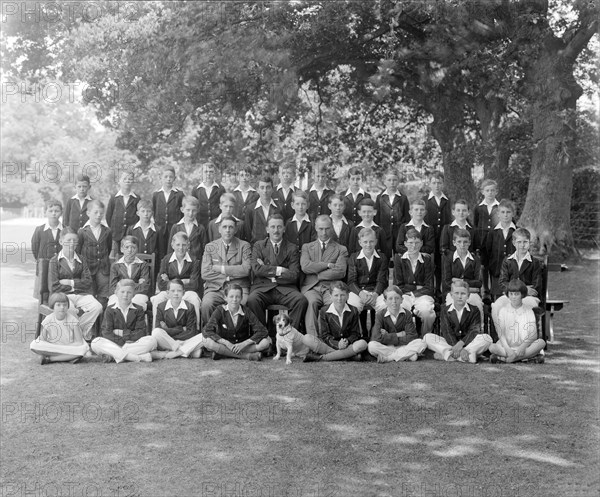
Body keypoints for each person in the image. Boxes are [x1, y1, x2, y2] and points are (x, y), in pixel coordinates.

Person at [246, 214, 308, 329]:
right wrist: (280, 270)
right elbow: (257, 270)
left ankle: (289, 334)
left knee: (301, 300)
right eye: (273, 227)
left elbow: (294, 275)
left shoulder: (291, 248)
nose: (276, 230)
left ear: (284, 229)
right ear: (267, 229)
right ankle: (263, 336)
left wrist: (267, 270)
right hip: (263, 288)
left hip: (285, 289)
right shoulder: (259, 246)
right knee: (252, 300)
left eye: (279, 227)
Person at [49, 228, 103, 340]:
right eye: (68, 240)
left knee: (97, 307)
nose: (72, 243)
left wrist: (70, 282)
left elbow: (88, 282)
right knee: (70, 309)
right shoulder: (54, 261)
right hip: (63, 295)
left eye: (75, 240)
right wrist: (78, 283)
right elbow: (54, 286)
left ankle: (75, 334)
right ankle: (80, 336)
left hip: (81, 294)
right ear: (61, 241)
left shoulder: (81, 259)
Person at [300, 215, 348, 336]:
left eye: (327, 228)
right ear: (315, 228)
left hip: (331, 288)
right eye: (321, 229)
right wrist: (327, 265)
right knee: (312, 303)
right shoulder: (307, 247)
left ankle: (335, 338)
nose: (324, 232)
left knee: (335, 303)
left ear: (331, 228)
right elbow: (305, 267)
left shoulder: (341, 249)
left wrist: (317, 273)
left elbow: (340, 271)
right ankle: (313, 339)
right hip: (312, 287)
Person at [424, 280, 492, 363]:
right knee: (427, 337)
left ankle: (449, 355)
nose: (459, 296)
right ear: (451, 295)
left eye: (463, 294)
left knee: (487, 339)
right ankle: (467, 356)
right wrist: (457, 346)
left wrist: (461, 345)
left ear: (468, 296)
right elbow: (447, 331)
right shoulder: (445, 310)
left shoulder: (474, 310)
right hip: (450, 343)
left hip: (468, 343)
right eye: (456, 293)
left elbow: (474, 331)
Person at [91, 280, 157, 363]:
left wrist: (122, 333)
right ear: (116, 293)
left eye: (129, 292)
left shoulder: (139, 309)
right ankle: (137, 357)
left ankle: (114, 355)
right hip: (115, 343)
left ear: (133, 295)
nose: (125, 295)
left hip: (133, 343)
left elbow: (141, 332)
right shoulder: (110, 310)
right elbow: (106, 332)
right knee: (95, 342)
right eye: (122, 292)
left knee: (151, 340)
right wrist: (123, 342)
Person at [201, 216, 251, 323]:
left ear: (236, 229)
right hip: (216, 288)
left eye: (231, 227)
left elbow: (246, 269)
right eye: (224, 227)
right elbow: (205, 273)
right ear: (219, 229)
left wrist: (221, 269)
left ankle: (239, 335)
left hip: (239, 287)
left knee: (244, 302)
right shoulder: (210, 247)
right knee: (207, 304)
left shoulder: (244, 246)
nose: (227, 230)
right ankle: (210, 334)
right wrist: (230, 275)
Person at [302, 282, 368, 362]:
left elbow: (355, 333)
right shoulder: (324, 311)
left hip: (347, 345)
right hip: (329, 345)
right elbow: (324, 336)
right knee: (306, 338)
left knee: (362, 343)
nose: (339, 299)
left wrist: (347, 341)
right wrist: (337, 345)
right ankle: (348, 356)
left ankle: (322, 358)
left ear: (347, 296)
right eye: (336, 295)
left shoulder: (353, 310)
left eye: (342, 295)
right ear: (330, 296)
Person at [203, 283, 271, 361]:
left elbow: (263, 331)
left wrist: (244, 344)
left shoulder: (246, 311)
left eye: (237, 297)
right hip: (225, 345)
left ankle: (223, 353)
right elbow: (207, 330)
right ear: (225, 298)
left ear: (241, 298)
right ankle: (247, 356)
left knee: (265, 342)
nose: (234, 300)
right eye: (231, 296)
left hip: (242, 346)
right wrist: (226, 343)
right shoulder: (220, 310)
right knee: (207, 342)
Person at [491, 228, 543, 329]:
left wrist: (524, 292)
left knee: (526, 307)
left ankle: (525, 338)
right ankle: (502, 337)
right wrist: (522, 289)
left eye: (525, 242)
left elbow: (536, 285)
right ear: (514, 243)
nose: (522, 245)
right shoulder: (508, 261)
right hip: (510, 295)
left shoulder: (535, 262)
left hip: (528, 297)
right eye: (519, 242)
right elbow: (502, 282)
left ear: (529, 243)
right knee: (497, 306)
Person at [489, 279, 546, 363]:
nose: (513, 297)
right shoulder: (503, 310)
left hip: (525, 346)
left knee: (541, 343)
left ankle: (507, 359)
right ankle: (525, 357)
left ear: (522, 295)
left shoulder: (528, 311)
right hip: (507, 346)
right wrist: (508, 349)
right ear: (507, 295)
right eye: (511, 294)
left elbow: (533, 335)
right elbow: (501, 334)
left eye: (516, 294)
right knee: (492, 347)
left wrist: (522, 347)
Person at [392, 228, 436, 335]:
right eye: (410, 243)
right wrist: (416, 289)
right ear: (405, 243)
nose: (414, 246)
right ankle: (405, 336)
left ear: (421, 243)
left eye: (417, 243)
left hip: (423, 295)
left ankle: (425, 335)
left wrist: (412, 291)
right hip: (404, 295)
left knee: (427, 313)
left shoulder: (427, 260)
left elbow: (429, 287)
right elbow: (398, 285)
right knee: (398, 309)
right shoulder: (399, 259)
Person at [152, 232, 202, 326]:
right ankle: (156, 329)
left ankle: (196, 329)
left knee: (194, 298)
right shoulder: (166, 260)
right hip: (169, 292)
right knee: (158, 298)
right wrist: (184, 281)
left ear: (188, 245)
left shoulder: (194, 260)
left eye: (184, 245)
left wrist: (170, 281)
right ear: (172, 245)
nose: (181, 248)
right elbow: (161, 284)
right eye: (178, 244)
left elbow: (194, 284)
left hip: (186, 292)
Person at [367, 286, 426, 363]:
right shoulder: (380, 315)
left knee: (421, 343)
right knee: (371, 346)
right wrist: (398, 334)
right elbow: (376, 337)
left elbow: (412, 336)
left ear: (402, 300)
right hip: (389, 346)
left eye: (397, 298)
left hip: (402, 345)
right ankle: (405, 355)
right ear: (385, 301)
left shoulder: (407, 314)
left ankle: (388, 358)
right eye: (390, 298)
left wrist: (387, 336)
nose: (394, 301)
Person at [151, 279, 205, 359]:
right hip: (168, 341)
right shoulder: (161, 307)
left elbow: (191, 332)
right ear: (168, 293)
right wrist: (181, 329)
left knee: (205, 336)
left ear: (183, 293)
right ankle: (187, 351)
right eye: (172, 291)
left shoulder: (190, 307)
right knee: (156, 332)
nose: (176, 293)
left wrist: (169, 331)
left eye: (179, 291)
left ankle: (175, 353)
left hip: (183, 341)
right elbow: (158, 328)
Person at [346, 228, 389, 332]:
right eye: (365, 242)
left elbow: (382, 280)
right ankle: (358, 333)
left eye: (371, 241)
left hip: (376, 291)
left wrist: (375, 294)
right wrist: (360, 293)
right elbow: (351, 281)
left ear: (376, 241)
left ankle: (377, 332)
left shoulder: (382, 258)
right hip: (359, 291)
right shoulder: (354, 257)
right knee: (352, 306)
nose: (368, 245)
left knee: (384, 306)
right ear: (360, 242)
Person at [30, 292, 90, 364]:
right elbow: (42, 339)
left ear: (68, 306)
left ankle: (51, 359)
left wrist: (69, 347)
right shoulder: (48, 319)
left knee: (84, 348)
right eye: (58, 305)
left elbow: (79, 341)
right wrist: (46, 345)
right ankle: (69, 357)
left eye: (65, 305)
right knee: (34, 344)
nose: (62, 307)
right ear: (53, 307)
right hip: (54, 346)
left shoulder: (73, 320)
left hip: (70, 346)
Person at [441, 229, 483, 327]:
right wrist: (469, 287)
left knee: (477, 304)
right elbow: (447, 281)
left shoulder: (475, 260)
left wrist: (460, 281)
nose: (462, 245)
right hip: (453, 293)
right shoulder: (448, 259)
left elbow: (479, 283)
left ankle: (479, 330)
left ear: (469, 243)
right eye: (459, 242)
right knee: (452, 306)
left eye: (465, 242)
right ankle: (454, 332)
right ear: (454, 243)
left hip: (471, 294)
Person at [77, 199, 112, 307]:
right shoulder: (82, 231)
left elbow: (109, 247)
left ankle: (101, 322)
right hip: (87, 269)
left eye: (101, 213)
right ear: (88, 213)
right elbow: (78, 251)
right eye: (95, 212)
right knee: (89, 295)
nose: (99, 215)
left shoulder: (107, 231)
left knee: (103, 294)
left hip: (103, 269)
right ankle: (91, 322)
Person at [423, 172, 452, 294]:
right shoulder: (425, 200)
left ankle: (439, 289)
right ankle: (429, 289)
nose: (437, 186)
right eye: (434, 183)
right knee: (429, 263)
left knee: (441, 263)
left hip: (443, 237)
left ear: (443, 184)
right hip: (429, 237)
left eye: (439, 183)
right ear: (429, 184)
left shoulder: (448, 200)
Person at [484, 199, 517, 299]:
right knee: (498, 301)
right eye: (503, 212)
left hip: (514, 274)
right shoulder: (492, 233)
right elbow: (488, 252)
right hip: (497, 273)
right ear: (498, 214)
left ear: (513, 213)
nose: (505, 215)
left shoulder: (517, 232)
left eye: (508, 212)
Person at [473, 179, 500, 298]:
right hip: (483, 241)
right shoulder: (479, 208)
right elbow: (476, 225)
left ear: (496, 192)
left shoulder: (499, 207)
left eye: (492, 190)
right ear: (483, 192)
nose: (490, 193)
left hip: (495, 241)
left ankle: (496, 290)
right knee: (484, 265)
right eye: (487, 190)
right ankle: (486, 290)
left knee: (495, 264)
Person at [108, 236, 151, 310]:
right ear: (121, 249)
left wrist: (124, 287)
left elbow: (144, 286)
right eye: (126, 247)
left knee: (136, 304)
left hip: (138, 294)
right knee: (114, 304)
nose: (130, 250)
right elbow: (113, 287)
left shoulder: (143, 265)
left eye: (133, 247)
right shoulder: (116, 265)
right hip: (119, 294)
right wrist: (136, 284)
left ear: (137, 249)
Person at [375, 168, 410, 259]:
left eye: (394, 180)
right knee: (384, 259)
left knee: (400, 259)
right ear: (384, 181)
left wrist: (405, 234)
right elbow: (377, 218)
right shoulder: (380, 198)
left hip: (399, 234)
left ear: (398, 181)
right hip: (384, 233)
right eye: (389, 180)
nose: (392, 183)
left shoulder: (403, 198)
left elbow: (407, 219)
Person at [32, 199, 63, 299]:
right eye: (50, 211)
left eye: (56, 211)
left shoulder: (65, 230)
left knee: (59, 296)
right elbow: (35, 248)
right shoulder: (39, 230)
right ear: (45, 212)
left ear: (61, 212)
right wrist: (42, 261)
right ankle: (42, 314)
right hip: (44, 268)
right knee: (43, 295)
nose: (53, 213)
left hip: (61, 269)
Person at [126, 199, 167, 271]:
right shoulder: (131, 230)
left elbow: (161, 251)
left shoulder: (157, 230)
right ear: (138, 213)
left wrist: (160, 269)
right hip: (135, 267)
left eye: (148, 211)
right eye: (143, 211)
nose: (146, 214)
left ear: (152, 213)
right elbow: (128, 250)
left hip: (153, 267)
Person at [105, 170, 139, 257]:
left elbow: (138, 217)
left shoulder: (136, 198)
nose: (127, 181)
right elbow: (108, 216)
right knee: (114, 257)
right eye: (124, 179)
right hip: (116, 235)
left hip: (130, 235)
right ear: (119, 181)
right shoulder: (114, 198)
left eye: (130, 179)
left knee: (129, 256)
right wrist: (114, 229)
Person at [244, 175, 281, 244]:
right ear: (257, 189)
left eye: (268, 187)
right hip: (256, 249)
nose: (265, 191)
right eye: (262, 187)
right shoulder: (250, 209)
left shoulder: (279, 208)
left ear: (272, 189)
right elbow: (248, 232)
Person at [169, 195, 208, 261]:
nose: (191, 213)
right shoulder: (176, 227)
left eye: (194, 210)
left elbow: (205, 249)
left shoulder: (200, 228)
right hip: (180, 263)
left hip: (196, 263)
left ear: (198, 210)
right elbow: (170, 249)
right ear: (182, 209)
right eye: (188, 210)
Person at [152, 165, 184, 239]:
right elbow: (154, 211)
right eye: (165, 177)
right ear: (161, 178)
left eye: (171, 177)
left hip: (175, 230)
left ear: (174, 178)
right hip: (160, 230)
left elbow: (182, 213)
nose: (168, 179)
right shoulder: (156, 195)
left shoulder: (179, 194)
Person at [191, 162, 226, 228]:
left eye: (211, 172)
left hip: (217, 225)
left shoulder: (220, 189)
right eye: (206, 172)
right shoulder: (196, 189)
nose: (208, 174)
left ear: (215, 174)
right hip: (200, 224)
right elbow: (193, 207)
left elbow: (224, 207)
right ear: (202, 173)